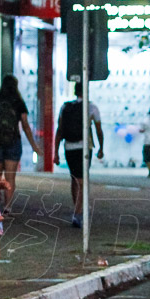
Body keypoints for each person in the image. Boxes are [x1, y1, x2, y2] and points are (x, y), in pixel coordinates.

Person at [0, 76, 42, 210]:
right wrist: (34, 145)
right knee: (10, 177)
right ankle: (8, 206)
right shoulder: (18, 103)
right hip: (13, 141)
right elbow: (26, 125)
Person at [54, 83, 104, 227]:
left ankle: (77, 208)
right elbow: (99, 130)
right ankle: (77, 213)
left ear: (75, 91)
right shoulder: (92, 107)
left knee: (74, 179)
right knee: (82, 181)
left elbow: (60, 130)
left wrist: (56, 152)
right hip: (84, 148)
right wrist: (101, 148)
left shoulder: (65, 107)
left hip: (69, 147)